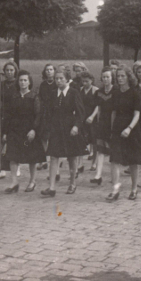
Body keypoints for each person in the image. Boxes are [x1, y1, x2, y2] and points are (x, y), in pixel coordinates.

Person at [42, 67, 87, 197]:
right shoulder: (52, 93)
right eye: (56, 78)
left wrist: (76, 126)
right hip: (56, 128)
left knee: (72, 156)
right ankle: (51, 187)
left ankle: (72, 183)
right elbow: (48, 111)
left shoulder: (74, 92)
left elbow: (80, 112)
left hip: (70, 128)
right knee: (53, 156)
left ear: (67, 79)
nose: (58, 81)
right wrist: (49, 126)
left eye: (61, 78)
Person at [2, 70, 45, 194]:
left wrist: (34, 130)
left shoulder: (34, 97)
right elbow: (8, 115)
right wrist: (5, 132)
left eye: (25, 80)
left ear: (29, 82)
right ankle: (14, 182)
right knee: (13, 156)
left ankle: (32, 181)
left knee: (32, 157)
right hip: (14, 130)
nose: (23, 82)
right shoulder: (13, 97)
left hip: (29, 130)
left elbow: (38, 115)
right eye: (20, 80)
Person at [108, 65, 141, 201]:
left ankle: (134, 189)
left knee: (132, 161)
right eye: (118, 76)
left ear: (129, 77)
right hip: (118, 127)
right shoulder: (116, 93)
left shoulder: (136, 93)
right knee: (114, 160)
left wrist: (129, 128)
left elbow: (137, 114)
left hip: (132, 129)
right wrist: (112, 130)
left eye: (123, 76)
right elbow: (113, 112)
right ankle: (115, 190)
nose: (120, 78)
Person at [89, 66, 117, 185]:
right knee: (100, 150)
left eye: (108, 77)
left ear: (112, 78)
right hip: (102, 123)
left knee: (113, 150)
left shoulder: (116, 91)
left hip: (114, 122)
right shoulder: (98, 92)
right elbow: (98, 108)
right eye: (104, 77)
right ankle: (98, 175)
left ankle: (114, 176)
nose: (106, 79)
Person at [0, 60, 20, 180]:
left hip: (15, 115)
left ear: (15, 71)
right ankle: (1, 168)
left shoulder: (18, 83)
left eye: (11, 70)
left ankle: (17, 166)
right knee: (2, 140)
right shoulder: (2, 84)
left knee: (13, 140)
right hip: (3, 114)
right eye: (7, 70)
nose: (9, 72)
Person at [37, 64, 57, 173]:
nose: (49, 72)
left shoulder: (57, 83)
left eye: (51, 69)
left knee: (53, 136)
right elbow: (40, 98)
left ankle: (53, 159)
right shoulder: (43, 85)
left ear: (54, 71)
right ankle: (45, 159)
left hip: (54, 112)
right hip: (44, 112)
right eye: (47, 70)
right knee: (43, 136)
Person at [79, 71, 98, 173]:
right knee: (81, 140)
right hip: (83, 117)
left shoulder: (95, 90)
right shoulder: (81, 90)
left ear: (91, 80)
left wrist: (92, 116)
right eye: (83, 81)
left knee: (94, 142)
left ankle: (94, 162)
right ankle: (80, 163)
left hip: (93, 118)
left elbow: (98, 106)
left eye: (87, 81)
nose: (84, 83)